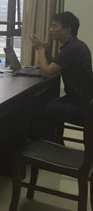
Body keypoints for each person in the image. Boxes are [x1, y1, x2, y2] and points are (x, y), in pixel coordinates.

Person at [31, 12, 93, 143]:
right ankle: (55, 140)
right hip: (84, 99)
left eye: (55, 26)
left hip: (80, 105)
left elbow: (46, 72)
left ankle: (49, 144)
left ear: (68, 29)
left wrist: (41, 50)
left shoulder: (71, 49)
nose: (51, 29)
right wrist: (47, 52)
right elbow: (55, 66)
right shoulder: (76, 45)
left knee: (40, 107)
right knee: (48, 102)